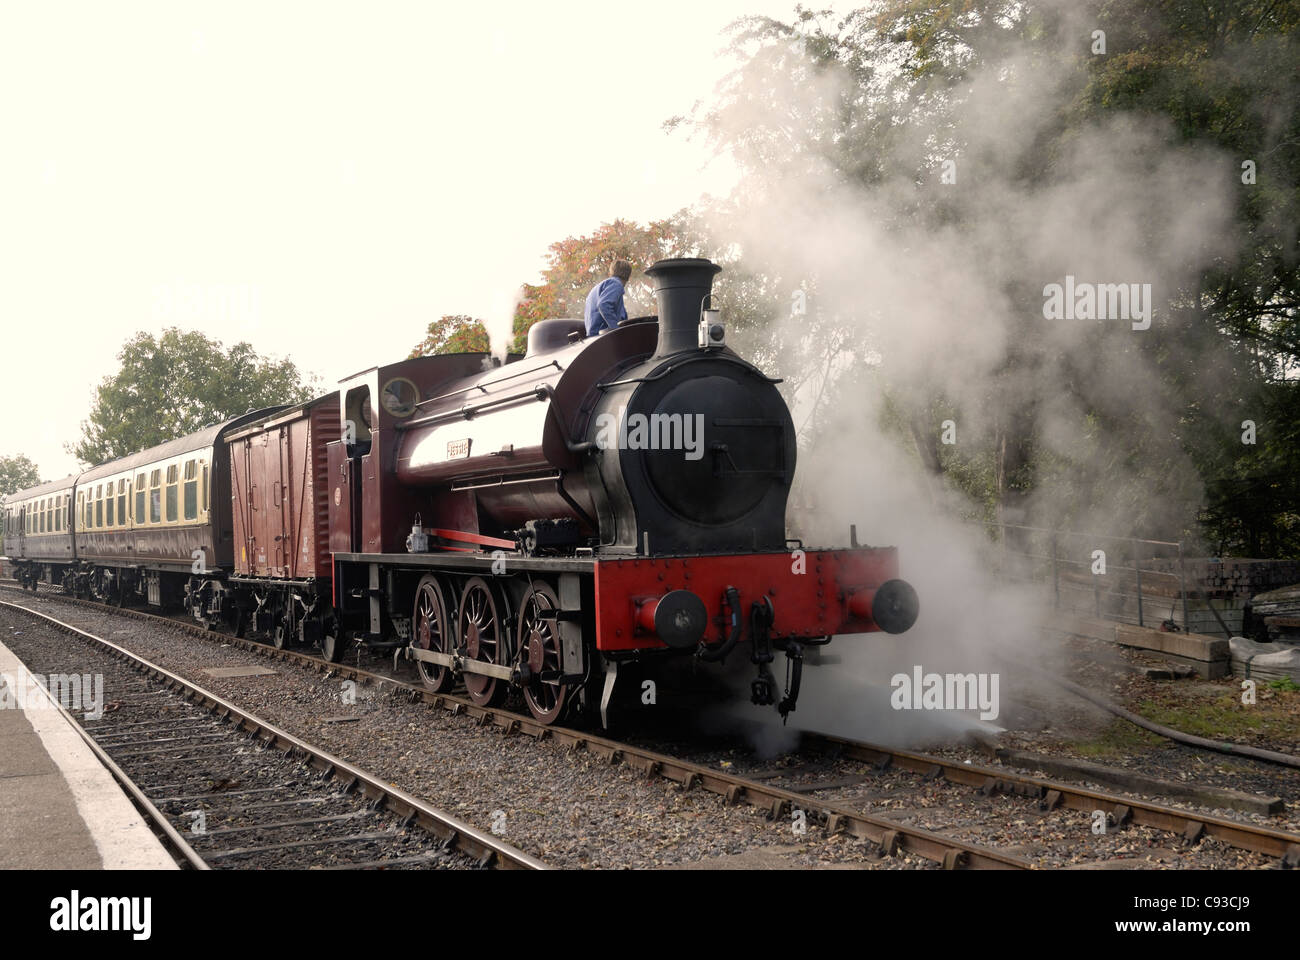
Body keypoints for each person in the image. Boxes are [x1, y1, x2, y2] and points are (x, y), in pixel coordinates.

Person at [584, 260, 631, 336]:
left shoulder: (603, 285)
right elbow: (603, 305)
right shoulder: (616, 284)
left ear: (612, 271)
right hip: (603, 334)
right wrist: (617, 329)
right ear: (628, 275)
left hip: (594, 334)